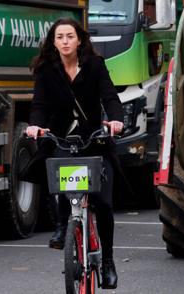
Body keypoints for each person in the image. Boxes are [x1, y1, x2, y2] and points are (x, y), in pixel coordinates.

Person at [26, 18, 124, 290]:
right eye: (60, 37)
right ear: (54, 42)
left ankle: (108, 262)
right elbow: (39, 104)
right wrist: (36, 125)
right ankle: (62, 226)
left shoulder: (95, 65)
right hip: (61, 136)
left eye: (70, 36)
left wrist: (115, 120)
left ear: (79, 39)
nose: (65, 41)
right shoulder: (47, 70)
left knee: (103, 202)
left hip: (93, 138)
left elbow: (110, 97)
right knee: (55, 171)